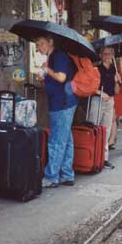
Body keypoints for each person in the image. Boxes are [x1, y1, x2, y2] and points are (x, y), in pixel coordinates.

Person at [36, 35, 79, 188]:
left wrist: (47, 69)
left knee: (56, 141)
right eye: (37, 44)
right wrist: (44, 77)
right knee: (66, 140)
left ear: (50, 42)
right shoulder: (55, 57)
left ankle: (51, 176)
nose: (39, 47)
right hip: (64, 101)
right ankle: (67, 174)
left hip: (62, 103)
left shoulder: (58, 56)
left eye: (42, 43)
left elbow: (61, 78)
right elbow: (55, 80)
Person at [90, 46, 121, 168]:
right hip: (98, 100)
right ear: (101, 55)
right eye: (105, 54)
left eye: (110, 54)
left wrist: (117, 81)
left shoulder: (114, 69)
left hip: (110, 102)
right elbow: (91, 87)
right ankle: (92, 157)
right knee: (94, 128)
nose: (107, 56)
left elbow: (117, 91)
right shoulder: (96, 69)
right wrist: (101, 93)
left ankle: (104, 158)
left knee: (106, 130)